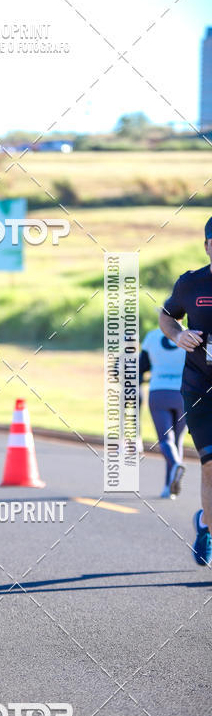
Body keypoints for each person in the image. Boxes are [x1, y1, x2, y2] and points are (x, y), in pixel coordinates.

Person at [159, 215, 212, 564]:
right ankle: (208, 530)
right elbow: (166, 315)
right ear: (208, 245)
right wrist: (179, 335)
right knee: (210, 465)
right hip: (199, 388)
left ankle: (205, 519)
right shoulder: (191, 284)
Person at [139, 328, 186, 498]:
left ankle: (175, 465)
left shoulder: (152, 336)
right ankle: (169, 488)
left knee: (166, 440)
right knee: (178, 441)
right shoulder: (190, 334)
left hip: (159, 392)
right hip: (183, 394)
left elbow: (141, 366)